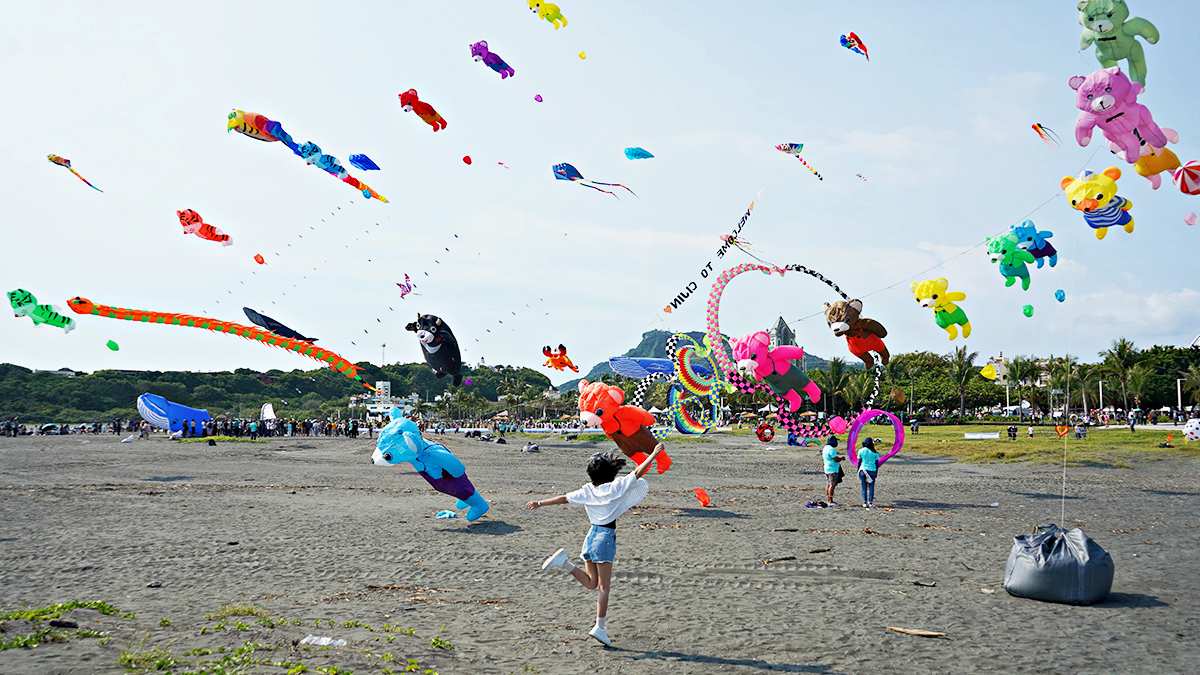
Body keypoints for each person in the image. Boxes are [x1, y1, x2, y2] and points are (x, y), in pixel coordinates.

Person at [528, 444, 665, 647]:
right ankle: (600, 627)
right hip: (605, 537)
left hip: (591, 536)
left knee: (592, 583)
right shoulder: (615, 487)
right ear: (610, 473)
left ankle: (563, 562)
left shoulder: (588, 491)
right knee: (603, 587)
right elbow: (638, 472)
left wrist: (540, 503)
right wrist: (653, 454)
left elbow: (564, 498)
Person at [856, 437, 881, 508]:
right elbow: (876, 464)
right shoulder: (875, 453)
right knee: (871, 487)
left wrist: (858, 470)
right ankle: (870, 502)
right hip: (872, 471)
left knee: (863, 487)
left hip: (863, 470)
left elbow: (859, 462)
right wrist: (876, 473)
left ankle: (864, 503)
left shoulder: (861, 451)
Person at [822, 436, 843, 506]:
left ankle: (828, 499)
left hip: (827, 468)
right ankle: (830, 501)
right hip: (832, 469)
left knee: (829, 484)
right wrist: (841, 458)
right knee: (832, 485)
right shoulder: (831, 449)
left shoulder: (825, 448)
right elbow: (835, 459)